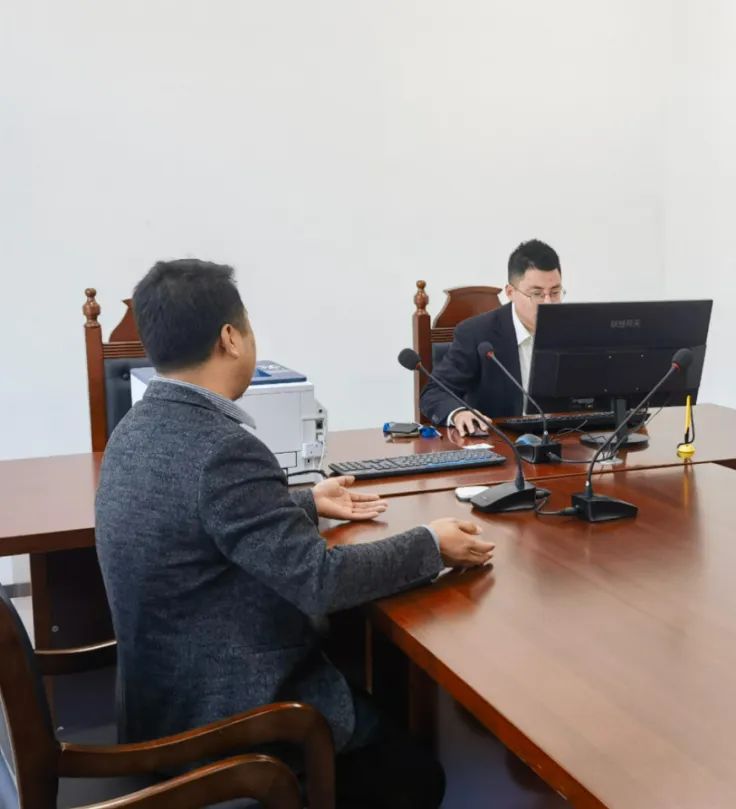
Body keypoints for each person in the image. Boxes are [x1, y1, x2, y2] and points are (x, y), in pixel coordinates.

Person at [96, 259, 495, 808]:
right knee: (416, 775)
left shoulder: (135, 428)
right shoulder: (224, 450)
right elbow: (321, 581)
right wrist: (431, 543)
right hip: (230, 724)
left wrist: (306, 501)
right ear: (230, 338)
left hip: (160, 706)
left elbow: (196, 516)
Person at [419, 239, 565, 434]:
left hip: (564, 438)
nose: (548, 303)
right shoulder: (477, 334)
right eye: (537, 294)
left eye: (555, 292)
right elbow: (433, 393)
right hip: (501, 441)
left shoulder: (573, 330)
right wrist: (459, 414)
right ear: (510, 292)